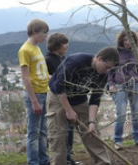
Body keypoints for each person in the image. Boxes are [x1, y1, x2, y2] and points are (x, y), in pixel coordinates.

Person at [46, 46, 119, 165]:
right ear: (99, 59)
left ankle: (103, 162)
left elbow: (95, 99)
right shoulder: (76, 62)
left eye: (110, 69)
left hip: (79, 99)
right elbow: (60, 88)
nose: (107, 71)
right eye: (107, 67)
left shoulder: (103, 74)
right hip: (57, 98)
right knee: (58, 136)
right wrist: (69, 110)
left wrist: (91, 123)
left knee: (93, 134)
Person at [108, 30, 138, 149]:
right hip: (120, 84)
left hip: (135, 84)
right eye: (125, 40)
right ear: (121, 40)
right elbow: (110, 70)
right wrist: (110, 84)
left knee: (136, 112)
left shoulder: (137, 53)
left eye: (130, 40)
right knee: (121, 112)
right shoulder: (115, 53)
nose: (127, 43)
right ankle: (118, 140)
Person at [17, 18, 50, 165]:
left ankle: (44, 161)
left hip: (44, 92)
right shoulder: (25, 50)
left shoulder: (37, 47)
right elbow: (25, 78)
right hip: (35, 95)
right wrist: (34, 101)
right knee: (33, 133)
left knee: (43, 132)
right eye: (44, 33)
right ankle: (33, 162)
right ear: (35, 32)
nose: (46, 36)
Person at [45, 33, 80, 165]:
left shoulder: (62, 59)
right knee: (58, 130)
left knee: (69, 129)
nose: (67, 46)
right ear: (58, 45)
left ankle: (67, 156)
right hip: (56, 98)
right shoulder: (49, 60)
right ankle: (58, 158)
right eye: (65, 43)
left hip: (66, 97)